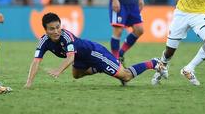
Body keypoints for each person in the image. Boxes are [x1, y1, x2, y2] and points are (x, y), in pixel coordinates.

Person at [24, 13, 166, 88]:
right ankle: (102, 68)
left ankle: (153, 63)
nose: (56, 31)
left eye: (58, 27)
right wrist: (29, 82)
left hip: (95, 53)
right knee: (76, 75)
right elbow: (36, 61)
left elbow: (71, 58)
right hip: (81, 59)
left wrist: (58, 70)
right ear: (45, 30)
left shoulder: (66, 37)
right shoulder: (43, 41)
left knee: (126, 76)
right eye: (51, 29)